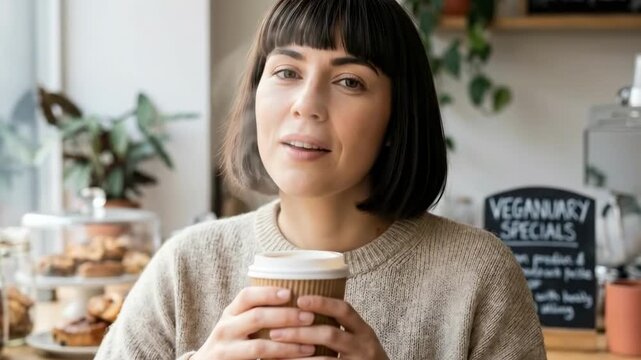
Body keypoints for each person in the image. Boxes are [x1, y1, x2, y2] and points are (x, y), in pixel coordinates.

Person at [95, 0, 546, 359]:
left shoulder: (477, 276)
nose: (306, 104)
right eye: (287, 72)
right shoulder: (185, 267)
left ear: (397, 119)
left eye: (350, 81)